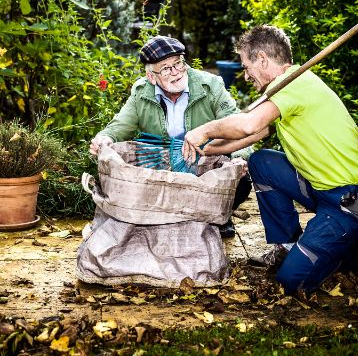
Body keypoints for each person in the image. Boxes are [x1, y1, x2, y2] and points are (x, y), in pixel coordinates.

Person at [181, 25, 358, 295]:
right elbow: (257, 134)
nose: (245, 75)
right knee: (262, 162)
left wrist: (202, 131)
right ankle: (288, 244)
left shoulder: (293, 84)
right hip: (321, 190)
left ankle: (356, 245)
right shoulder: (287, 87)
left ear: (262, 58)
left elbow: (248, 125)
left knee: (292, 281)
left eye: (246, 66)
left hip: (352, 202)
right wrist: (207, 150)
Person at [90, 35, 252, 237]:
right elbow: (120, 125)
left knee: (242, 179)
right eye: (166, 68)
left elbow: (236, 122)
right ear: (152, 76)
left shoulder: (210, 85)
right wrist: (105, 138)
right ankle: (166, 218)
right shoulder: (142, 92)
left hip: (205, 164)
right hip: (164, 168)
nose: (176, 72)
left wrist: (241, 157)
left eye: (178, 63)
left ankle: (219, 216)